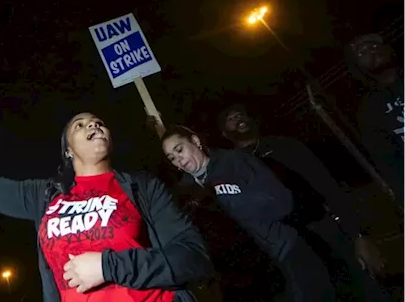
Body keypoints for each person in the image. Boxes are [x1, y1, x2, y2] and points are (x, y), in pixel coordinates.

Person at [0, 109, 211, 302]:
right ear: (67, 150)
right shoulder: (44, 196)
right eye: (80, 125)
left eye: (99, 122)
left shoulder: (141, 187)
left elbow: (193, 256)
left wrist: (109, 266)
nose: (94, 125)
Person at [218, 104, 390, 301]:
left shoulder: (286, 146)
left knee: (366, 290)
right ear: (224, 133)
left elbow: (328, 186)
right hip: (290, 252)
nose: (237, 117)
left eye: (240, 113)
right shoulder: (231, 170)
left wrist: (358, 235)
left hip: (326, 232)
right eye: (229, 118)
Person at [160, 125, 335, 302]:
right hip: (251, 280)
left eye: (179, 150)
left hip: (287, 254)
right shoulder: (186, 195)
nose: (179, 160)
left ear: (196, 142)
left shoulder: (234, 161)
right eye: (172, 158)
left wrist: (233, 203)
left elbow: (282, 202)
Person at [346, 33, 404, 206]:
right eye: (362, 53)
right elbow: (387, 162)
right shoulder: (369, 110)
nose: (371, 52)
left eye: (373, 46)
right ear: (358, 67)